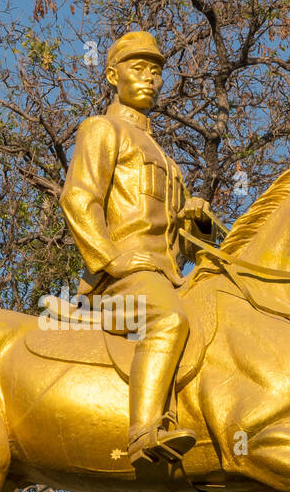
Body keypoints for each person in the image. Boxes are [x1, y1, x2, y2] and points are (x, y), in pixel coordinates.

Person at [60, 29, 219, 466]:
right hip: (120, 280)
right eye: (138, 69)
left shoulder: (167, 159)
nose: (150, 78)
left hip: (167, 276)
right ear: (112, 75)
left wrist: (198, 226)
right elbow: (78, 199)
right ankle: (145, 432)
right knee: (168, 320)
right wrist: (112, 258)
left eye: (156, 71)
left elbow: (181, 246)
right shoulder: (102, 129)